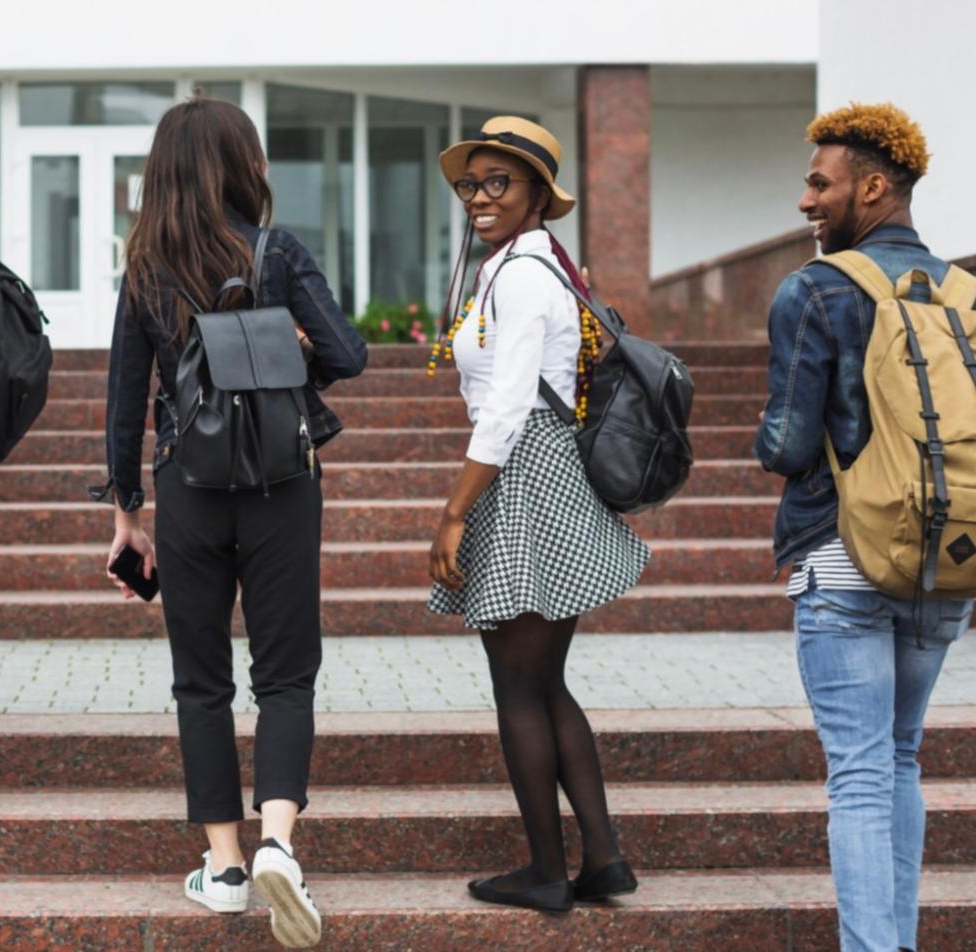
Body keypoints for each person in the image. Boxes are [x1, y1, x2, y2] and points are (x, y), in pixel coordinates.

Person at [95, 94, 367, 949]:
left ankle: (224, 868)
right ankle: (280, 841)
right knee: (286, 674)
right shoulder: (276, 251)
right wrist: (286, 346)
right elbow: (350, 355)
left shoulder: (145, 264)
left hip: (187, 487)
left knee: (200, 679)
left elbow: (122, 399)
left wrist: (125, 513)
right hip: (283, 481)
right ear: (244, 166)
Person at [755, 102, 976, 952]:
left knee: (859, 773)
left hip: (845, 558)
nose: (805, 201)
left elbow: (787, 447)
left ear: (872, 187)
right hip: (951, 561)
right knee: (899, 760)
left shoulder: (815, 290)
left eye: (819, 184)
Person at [427, 116, 649, 914]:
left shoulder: (523, 276)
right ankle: (603, 859)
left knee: (519, 685)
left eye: (499, 183)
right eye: (471, 184)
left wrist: (455, 513)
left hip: (524, 476)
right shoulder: (527, 267)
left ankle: (547, 870)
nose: (480, 197)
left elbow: (509, 406)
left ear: (536, 197)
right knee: (545, 681)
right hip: (538, 474)